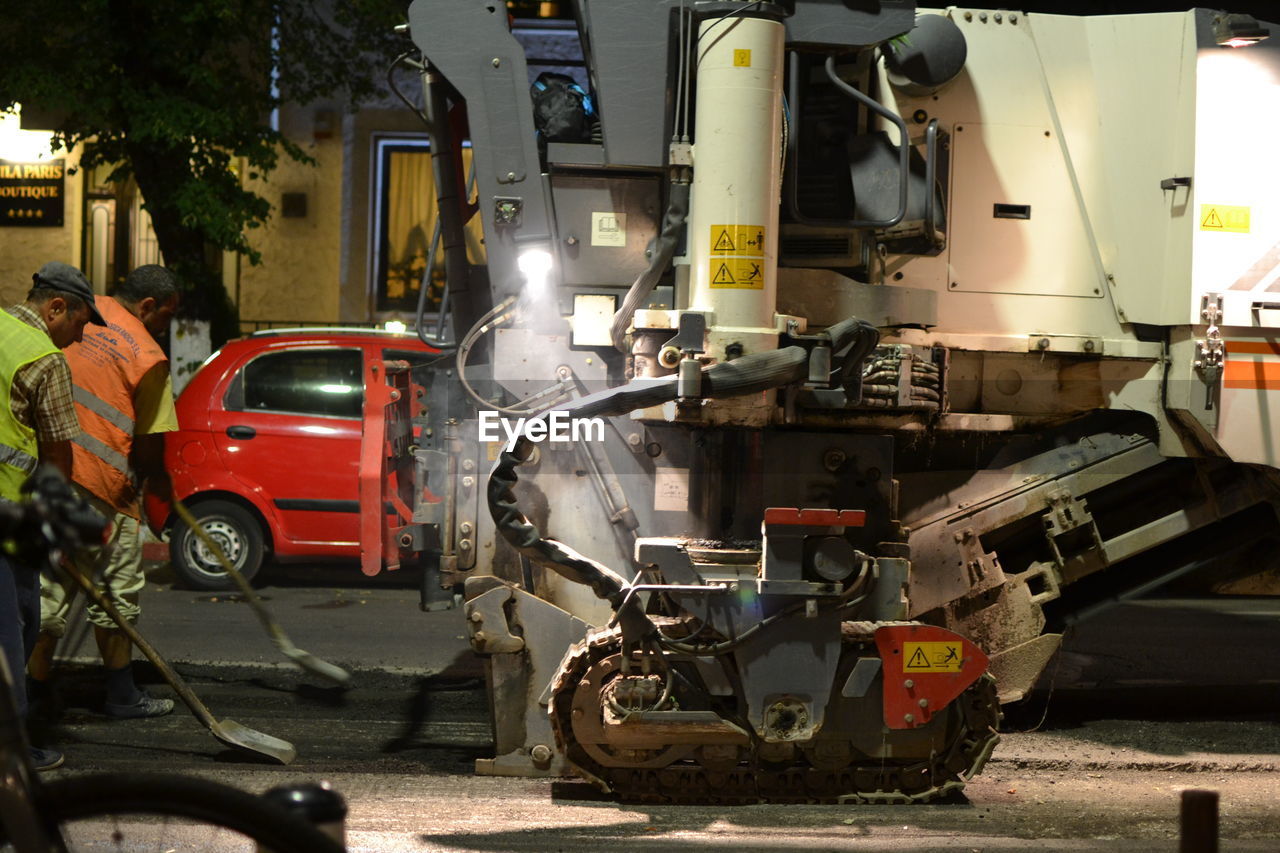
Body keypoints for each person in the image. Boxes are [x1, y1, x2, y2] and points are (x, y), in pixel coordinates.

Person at [28, 265, 180, 721]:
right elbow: (151, 444)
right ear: (148, 307)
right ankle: (122, 695)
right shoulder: (148, 355)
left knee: (47, 595)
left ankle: (31, 696)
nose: (167, 327)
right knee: (116, 595)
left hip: (49, 478)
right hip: (103, 492)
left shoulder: (81, 314)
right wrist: (158, 481)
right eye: (168, 316)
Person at [1, 261, 105, 770]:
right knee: (14, 627)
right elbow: (57, 457)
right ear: (56, 306)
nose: (81, 336)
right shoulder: (44, 358)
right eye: (81, 323)